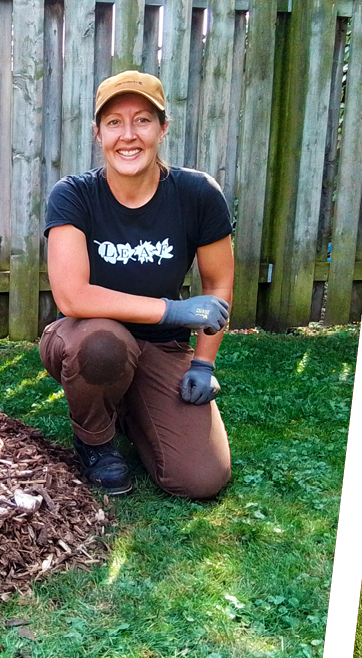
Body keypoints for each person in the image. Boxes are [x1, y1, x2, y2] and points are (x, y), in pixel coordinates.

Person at [39, 70, 236, 500]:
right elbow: (72, 296)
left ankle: (128, 405)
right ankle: (95, 443)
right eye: (114, 122)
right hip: (86, 335)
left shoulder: (197, 194)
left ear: (163, 129)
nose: (128, 136)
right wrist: (172, 309)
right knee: (104, 347)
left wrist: (203, 363)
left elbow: (218, 281)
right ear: (98, 133)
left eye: (143, 120)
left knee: (201, 479)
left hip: (162, 347)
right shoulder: (73, 195)